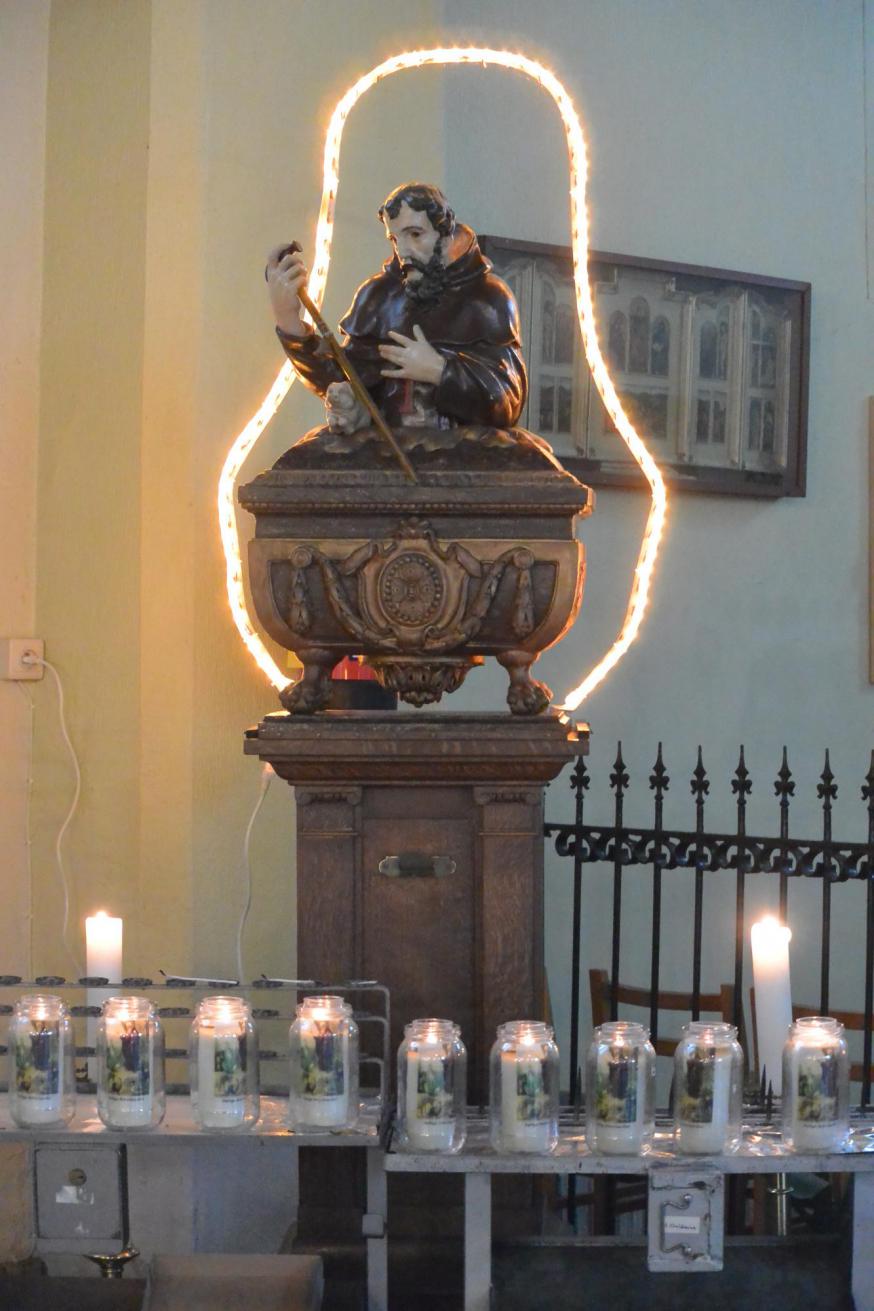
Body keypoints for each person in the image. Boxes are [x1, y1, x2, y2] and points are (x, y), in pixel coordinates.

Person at [265, 182, 527, 436]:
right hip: (387, 449)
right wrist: (288, 318)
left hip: (464, 450)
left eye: (415, 235)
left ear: (445, 236)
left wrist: (439, 370)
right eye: (394, 238)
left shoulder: (487, 298)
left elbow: (507, 399)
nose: (403, 251)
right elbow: (344, 376)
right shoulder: (379, 296)